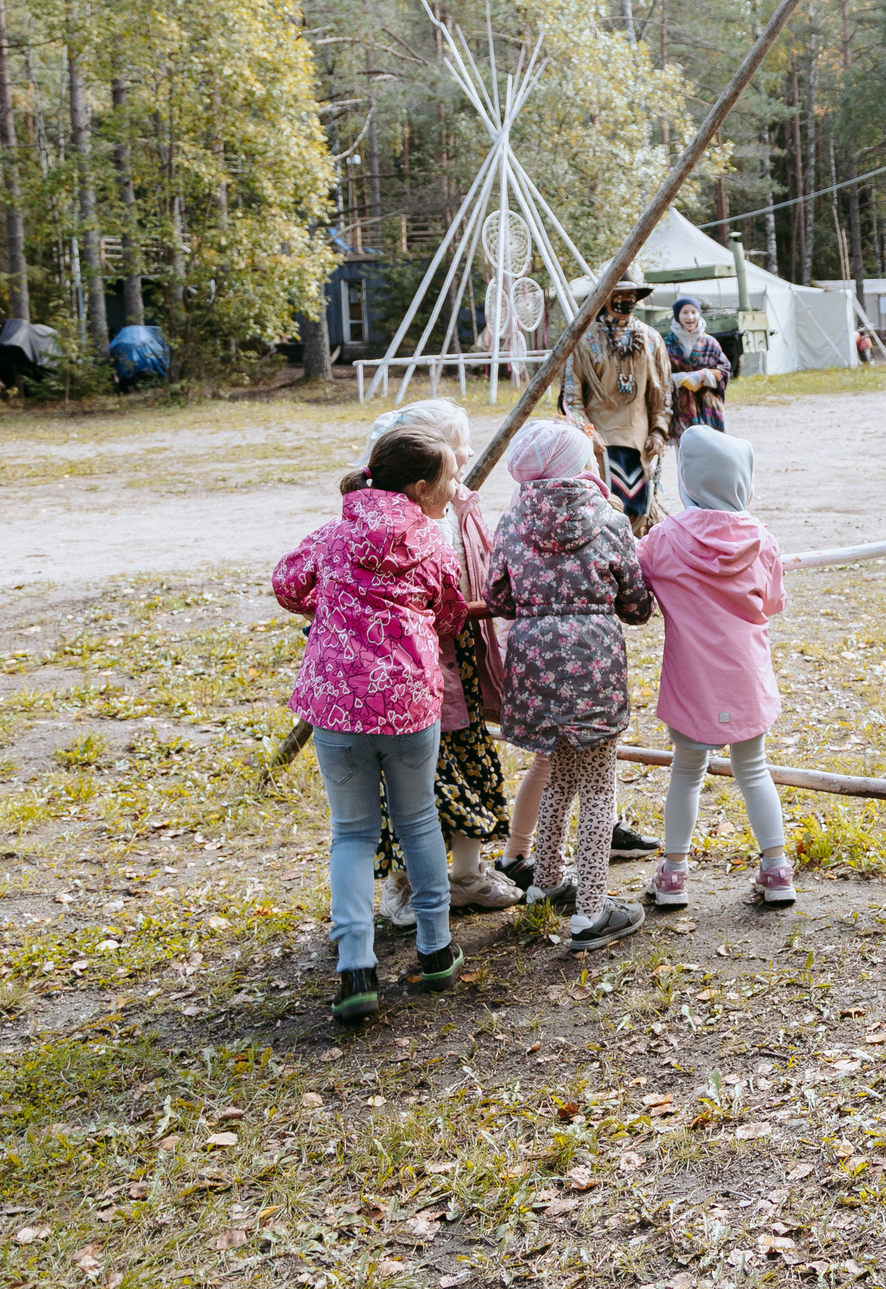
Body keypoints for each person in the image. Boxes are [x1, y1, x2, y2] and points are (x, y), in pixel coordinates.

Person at [272, 426, 469, 1023]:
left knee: (352, 833)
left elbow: (286, 583)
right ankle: (435, 950)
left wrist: (329, 604)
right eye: (446, 481)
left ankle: (355, 965)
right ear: (417, 487)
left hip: (336, 704)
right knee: (417, 820)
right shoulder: (431, 543)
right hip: (408, 703)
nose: (452, 489)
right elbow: (452, 614)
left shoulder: (334, 535)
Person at [486, 421, 653, 952]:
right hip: (592, 663)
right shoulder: (608, 518)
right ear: (577, 463)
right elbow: (636, 604)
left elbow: (498, 598)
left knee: (559, 774)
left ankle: (547, 880)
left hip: (534, 664)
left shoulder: (512, 519)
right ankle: (591, 910)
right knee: (600, 785)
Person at [356, 402, 522, 927]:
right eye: (458, 447)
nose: (469, 455)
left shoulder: (458, 503)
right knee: (409, 785)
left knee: (467, 765)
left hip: (456, 668)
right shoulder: (381, 524)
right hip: (404, 680)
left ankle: (467, 876)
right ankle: (403, 886)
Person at [634, 426, 797, 911]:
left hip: (693, 682)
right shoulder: (761, 539)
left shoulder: (664, 539)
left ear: (687, 479)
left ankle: (675, 874)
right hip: (746, 679)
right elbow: (772, 602)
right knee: (754, 769)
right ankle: (777, 867)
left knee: (686, 773)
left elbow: (636, 580)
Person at [563, 272, 671, 535]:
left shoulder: (652, 340)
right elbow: (571, 401)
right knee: (604, 511)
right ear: (605, 299)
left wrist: (659, 431)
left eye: (631, 296)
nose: (626, 301)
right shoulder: (584, 341)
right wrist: (589, 433)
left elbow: (663, 395)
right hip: (600, 444)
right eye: (619, 295)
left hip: (640, 441)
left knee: (639, 511)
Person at [664, 295, 733, 441]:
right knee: (685, 452)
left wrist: (703, 375)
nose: (690, 317)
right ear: (677, 315)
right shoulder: (666, 343)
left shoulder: (710, 342)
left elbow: (724, 369)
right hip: (679, 408)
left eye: (693, 312)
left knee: (711, 449)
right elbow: (657, 373)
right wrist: (676, 379)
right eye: (685, 312)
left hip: (708, 407)